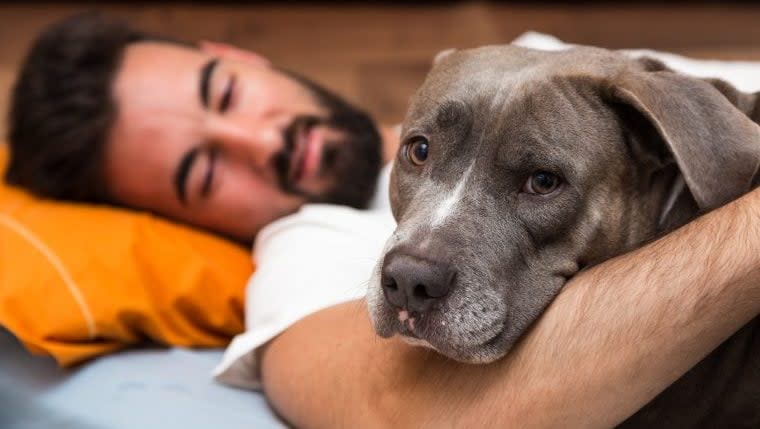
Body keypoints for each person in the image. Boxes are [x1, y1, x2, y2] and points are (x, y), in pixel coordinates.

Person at [4, 13, 758, 427]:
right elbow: (404, 413)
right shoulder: (301, 261)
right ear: (177, 219)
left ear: (233, 51)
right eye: (204, 171)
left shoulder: (495, 66)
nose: (264, 140)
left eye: (225, 95)